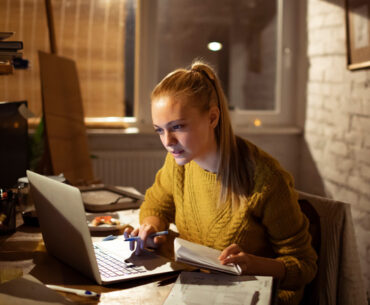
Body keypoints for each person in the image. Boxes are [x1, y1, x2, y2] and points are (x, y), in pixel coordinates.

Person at [124, 60, 317, 305]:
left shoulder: (266, 179)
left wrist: (254, 265)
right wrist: (151, 227)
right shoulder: (178, 162)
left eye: (178, 127)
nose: (168, 141)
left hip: (255, 296)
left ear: (212, 117)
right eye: (159, 130)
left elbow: (305, 265)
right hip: (197, 291)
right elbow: (156, 205)